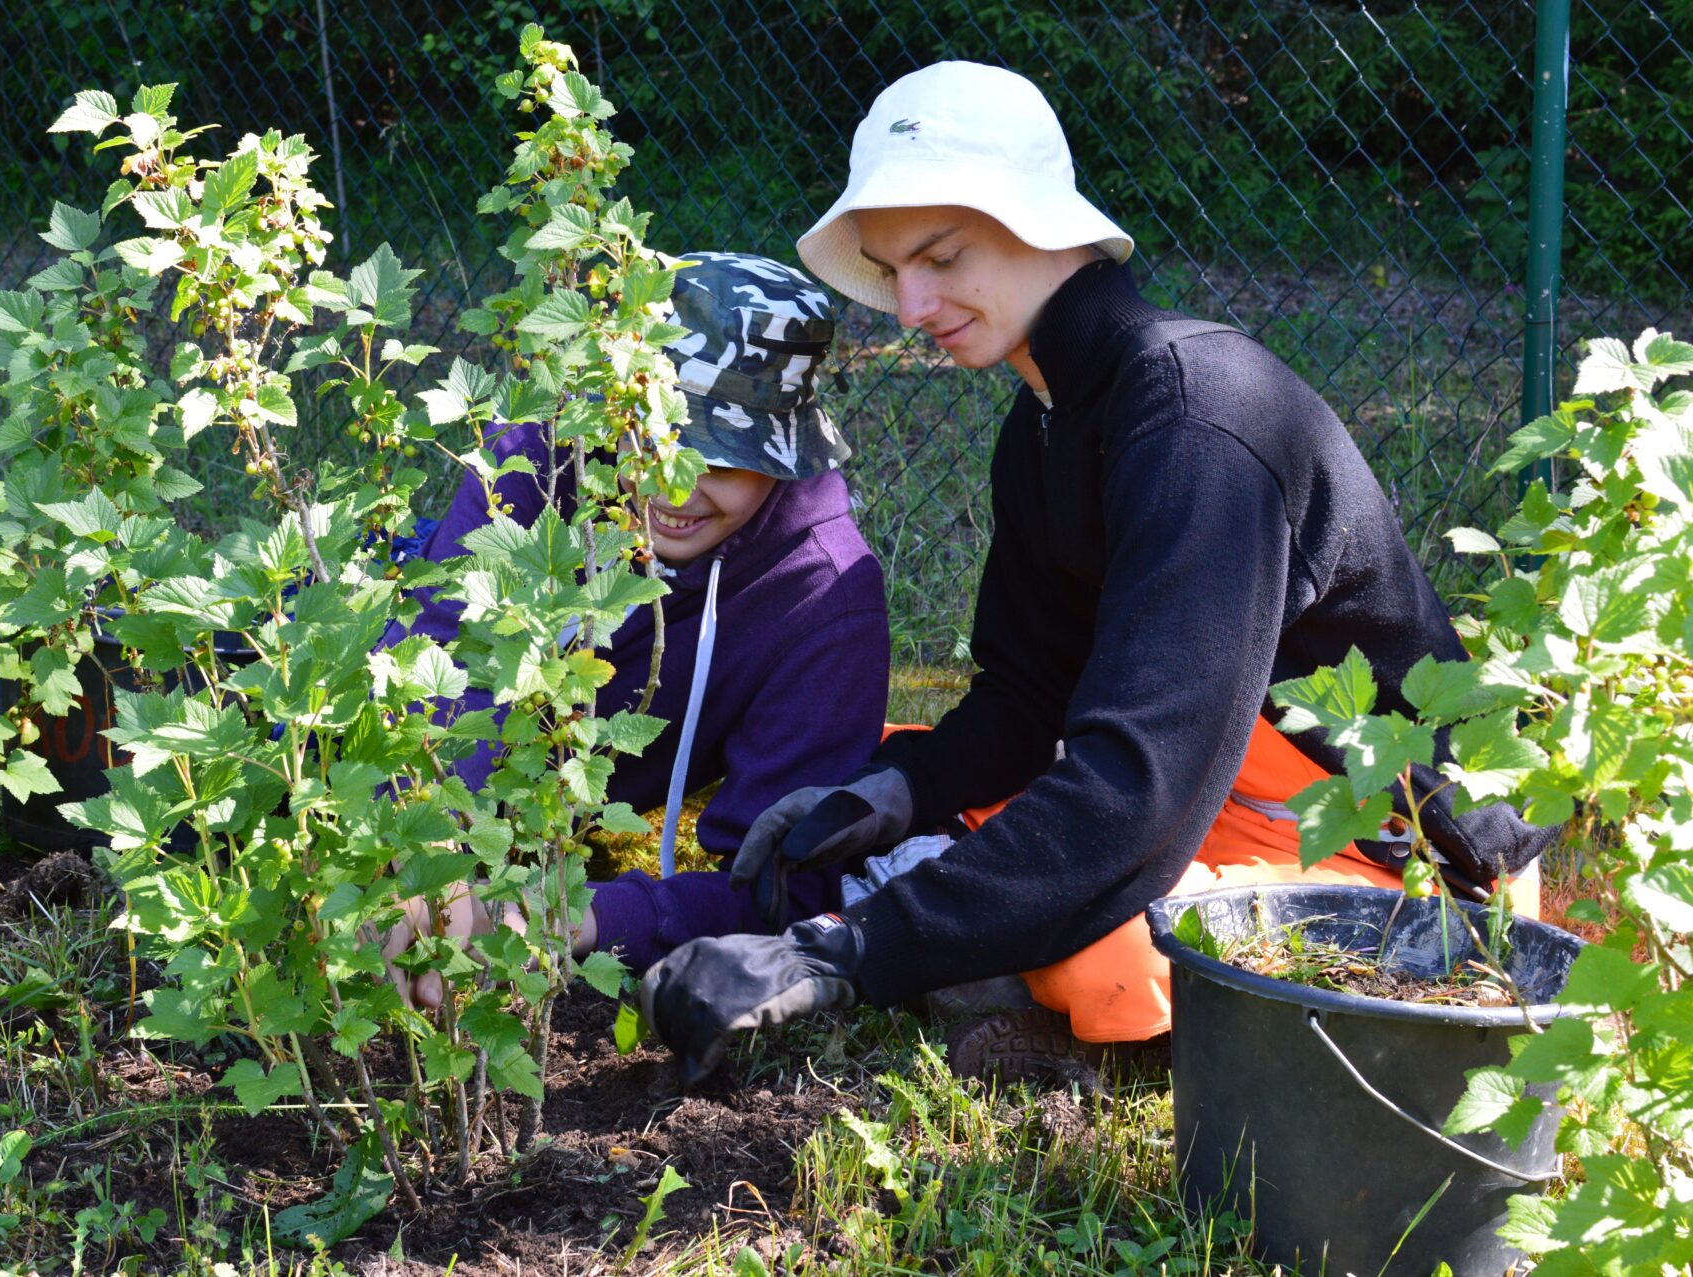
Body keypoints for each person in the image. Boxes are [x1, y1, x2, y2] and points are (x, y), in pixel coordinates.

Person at [639, 63, 1557, 1086]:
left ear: (1042, 221)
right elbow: (1030, 695)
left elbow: (1138, 787)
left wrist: (837, 955)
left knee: (1100, 945)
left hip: (1399, 850)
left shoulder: (1199, 417)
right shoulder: (1044, 419)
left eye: (942, 256)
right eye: (894, 270)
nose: (912, 306)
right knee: (901, 786)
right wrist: (898, 792)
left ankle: (1073, 1013)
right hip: (1227, 783)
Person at [381, 252, 890, 1007]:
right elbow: (436, 647)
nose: (676, 488)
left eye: (723, 461)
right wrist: (430, 841)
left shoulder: (826, 602)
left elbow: (785, 883)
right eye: (654, 442)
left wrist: (569, 916)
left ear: (784, 457)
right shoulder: (538, 452)